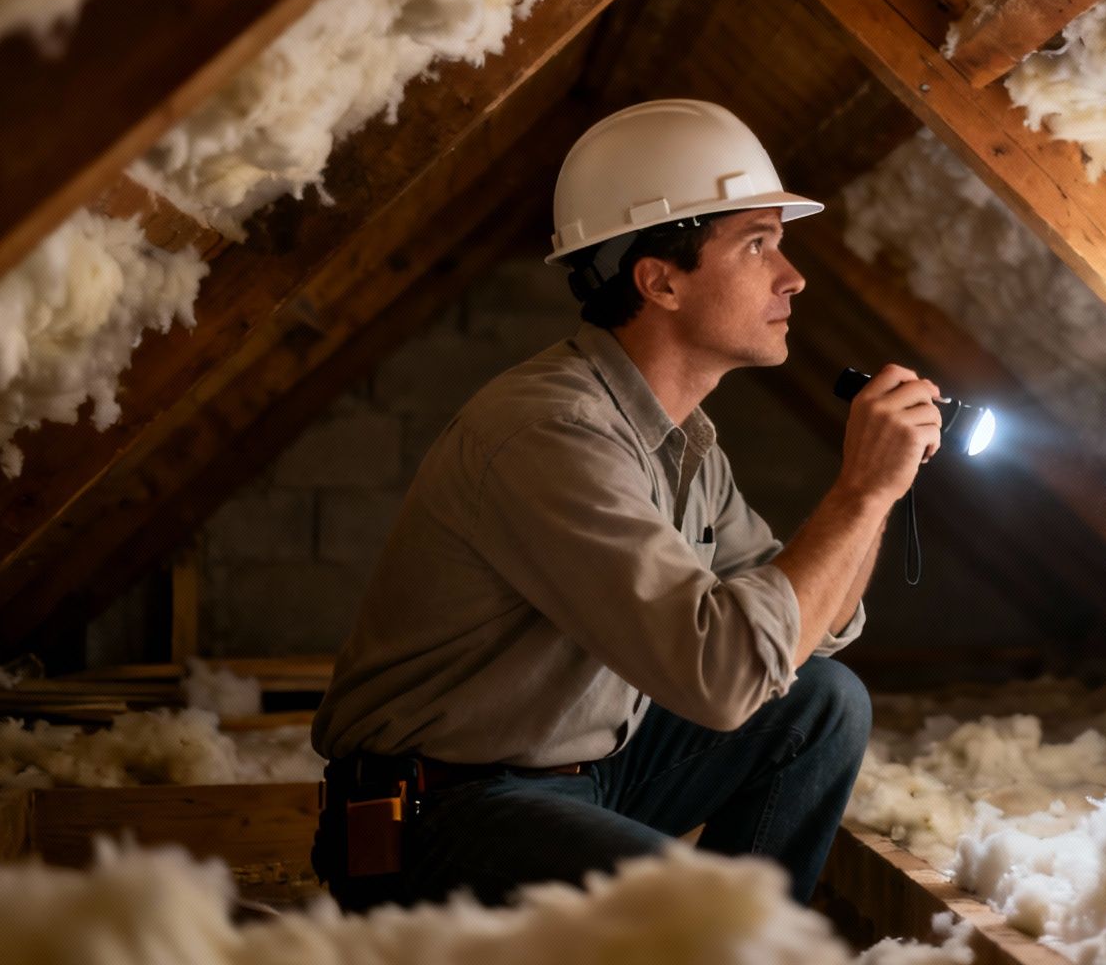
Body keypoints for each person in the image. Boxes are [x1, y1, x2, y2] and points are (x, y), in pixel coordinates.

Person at [309, 99, 940, 910]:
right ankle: (731, 939)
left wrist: (879, 494)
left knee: (820, 706)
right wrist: (862, 490)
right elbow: (725, 677)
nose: (794, 276)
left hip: (583, 782)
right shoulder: (552, 432)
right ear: (661, 280)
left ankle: (746, 943)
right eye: (757, 244)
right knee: (706, 909)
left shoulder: (681, 443)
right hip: (440, 817)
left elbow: (805, 640)